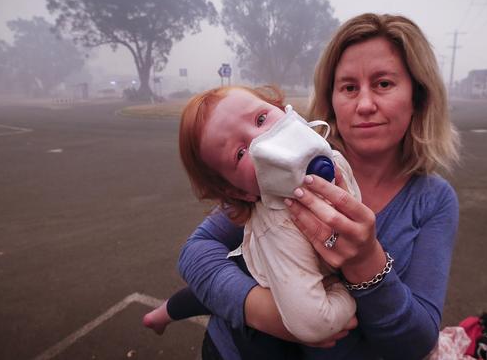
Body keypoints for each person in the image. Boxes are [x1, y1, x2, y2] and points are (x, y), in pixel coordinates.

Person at [178, 12, 460, 360]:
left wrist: (366, 262)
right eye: (349, 87)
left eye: (384, 83)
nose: (365, 104)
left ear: (418, 95)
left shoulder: (432, 200)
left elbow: (416, 342)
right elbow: (196, 251)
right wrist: (263, 311)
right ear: (332, 98)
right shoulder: (283, 169)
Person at [144, 85, 360, 343]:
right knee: (222, 313)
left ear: (284, 111)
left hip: (293, 274)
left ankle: (161, 314)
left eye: (260, 119)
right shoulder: (277, 228)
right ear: (238, 191)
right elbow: (315, 324)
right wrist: (345, 293)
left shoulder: (335, 159)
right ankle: (161, 315)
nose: (262, 140)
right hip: (260, 274)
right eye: (240, 153)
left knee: (200, 296)